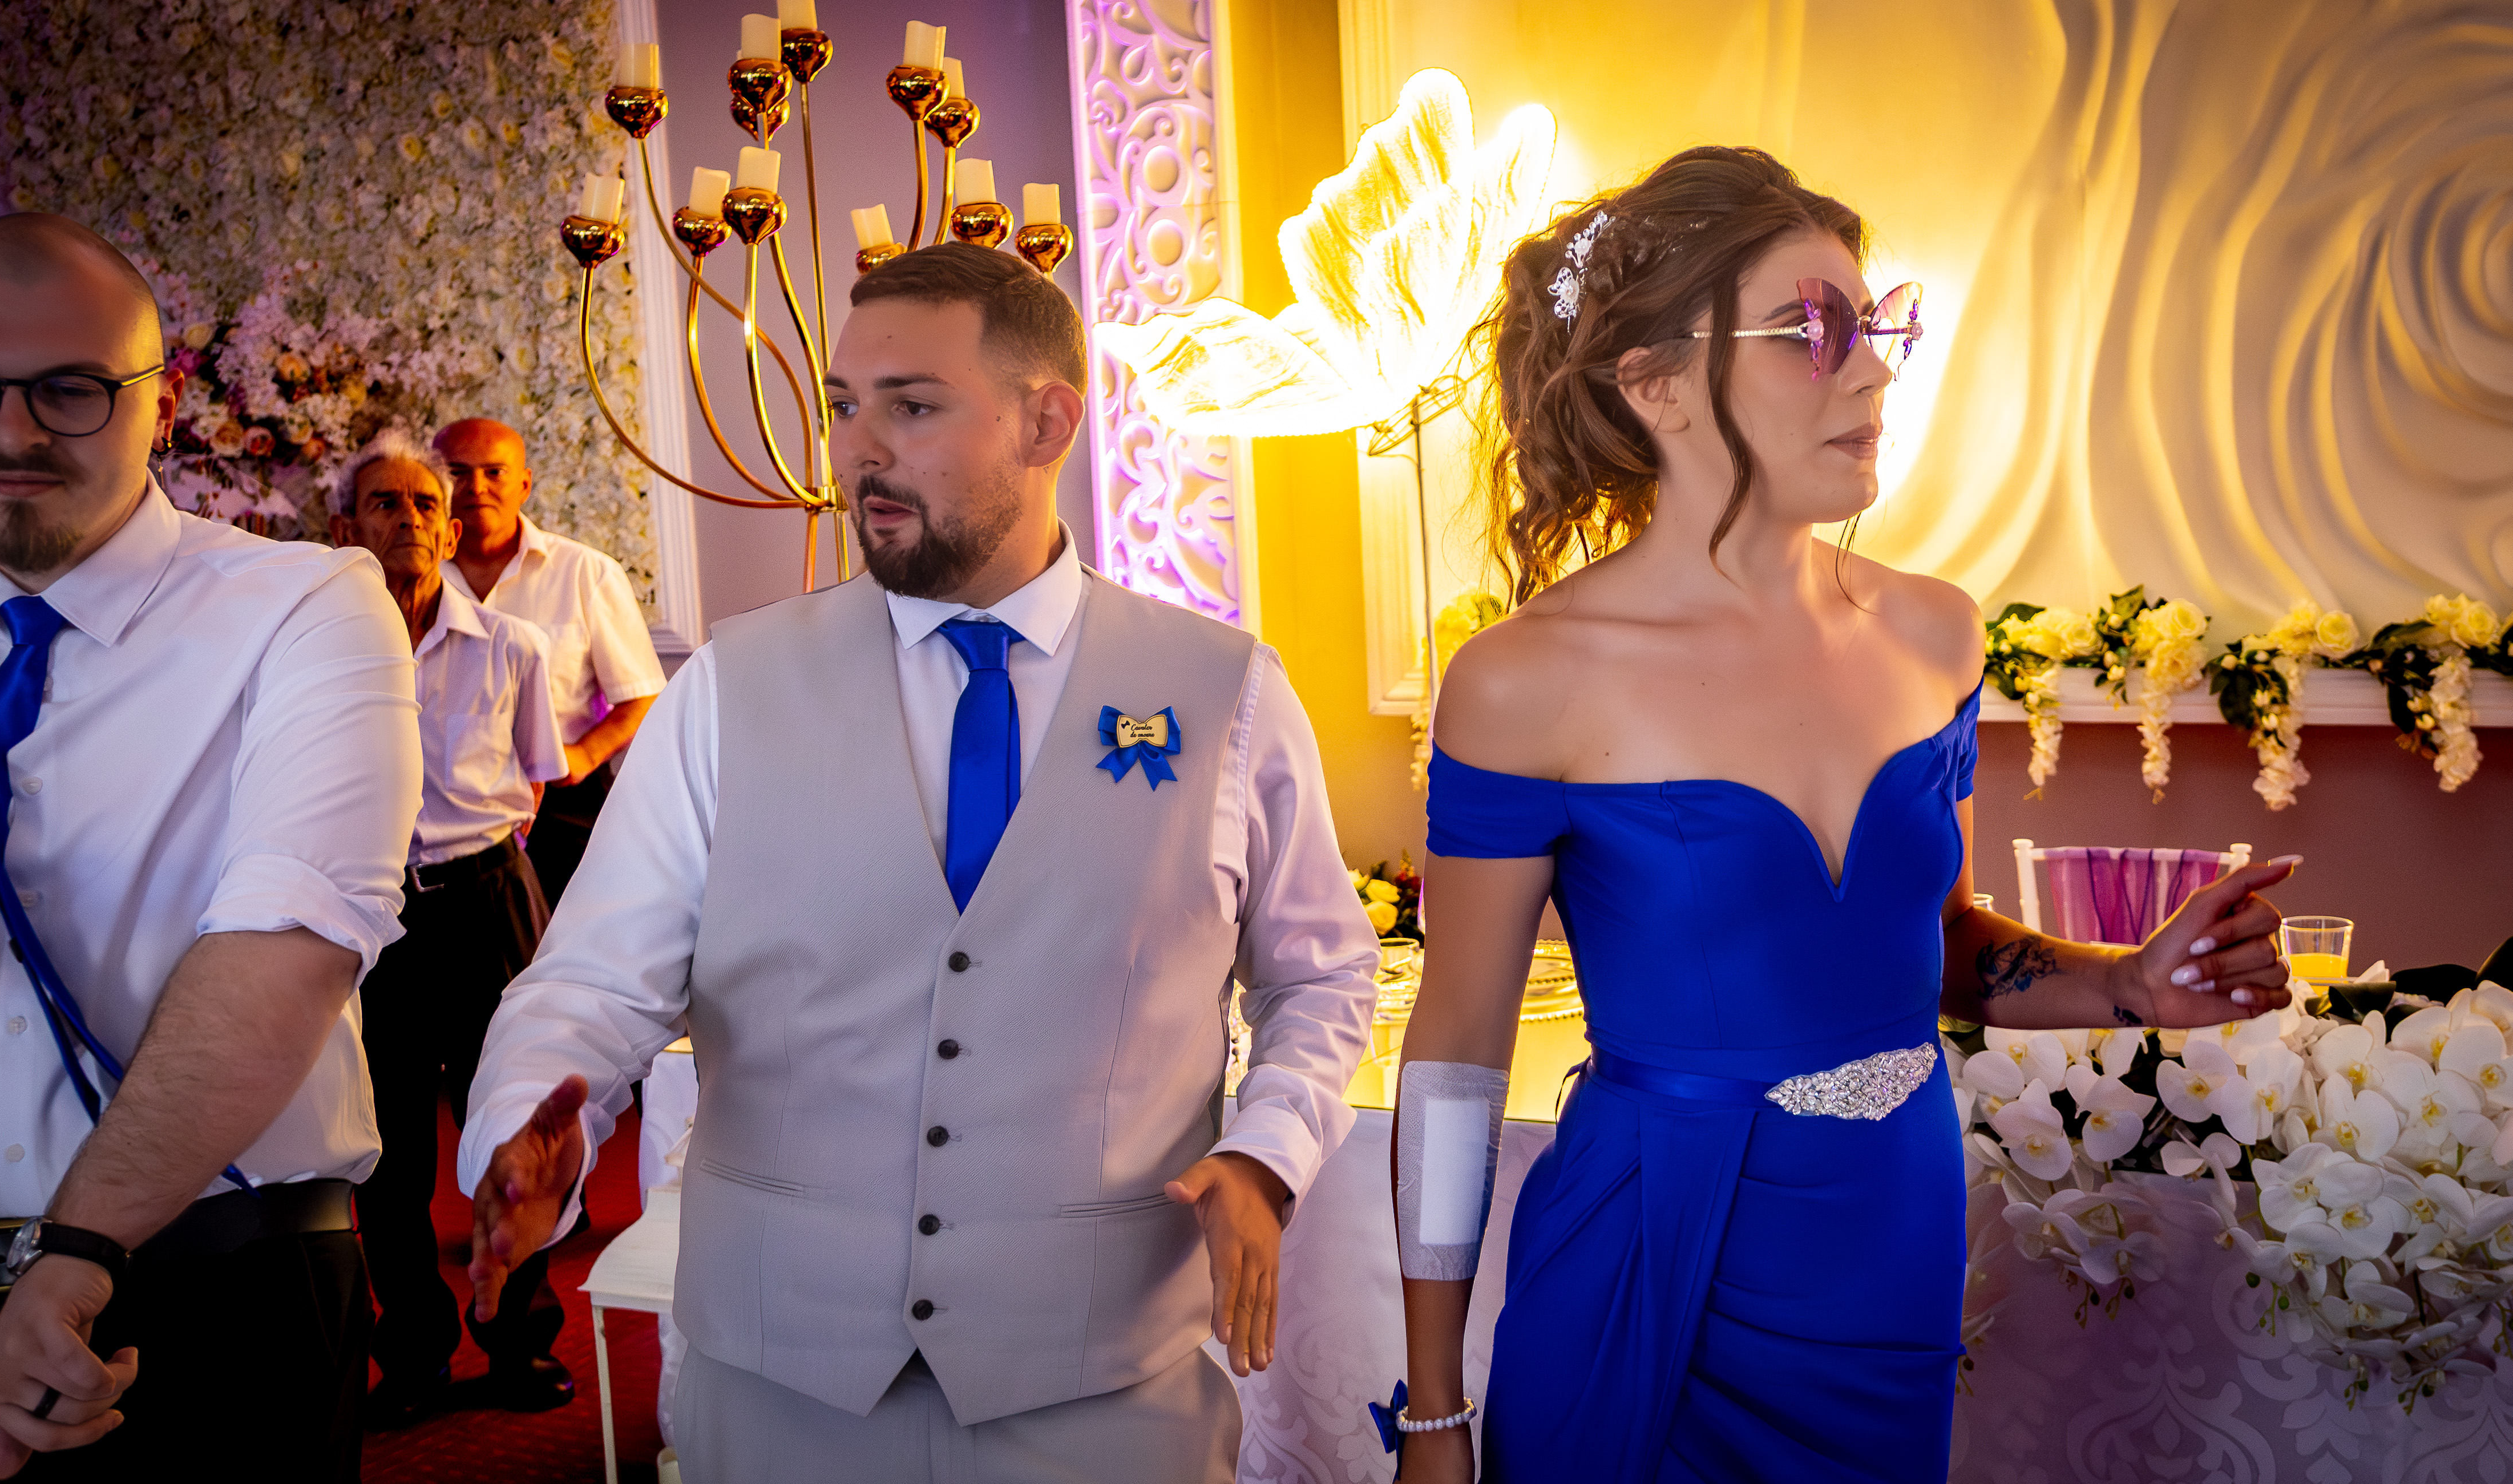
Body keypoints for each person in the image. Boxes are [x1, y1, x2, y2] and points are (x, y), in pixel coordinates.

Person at [1388, 147, 2298, 1482]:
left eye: (1877, 328)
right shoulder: (1526, 677)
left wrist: (2128, 982)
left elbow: (1941, 944)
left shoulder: (1933, 633)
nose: (1871, 372)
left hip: (1888, 1242)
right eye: (1812, 332)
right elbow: (1457, 1054)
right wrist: (1431, 1411)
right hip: (1654, 1251)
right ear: (1653, 385)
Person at [459, 243, 1377, 1483]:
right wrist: (523, 1120)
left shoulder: (1227, 692)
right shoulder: (728, 689)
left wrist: (1268, 1150)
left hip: (1105, 1388)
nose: (860, 451)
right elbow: (594, 980)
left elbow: (1320, 976)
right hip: (781, 1387)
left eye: (914, 406)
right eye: (846, 407)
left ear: (1048, 422)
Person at [0, 213, 419, 1480]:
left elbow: (287, 944)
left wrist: (80, 1252)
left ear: (160, 400)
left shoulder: (305, 604)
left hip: (223, 1289)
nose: (13, 432)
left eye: (70, 388)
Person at [325, 430, 576, 1428]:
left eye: (426, 504)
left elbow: (537, 779)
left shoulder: (514, 646)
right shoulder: (318, 652)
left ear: (450, 527)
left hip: (487, 902)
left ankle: (520, 1339)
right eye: (385, 503)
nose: (411, 520)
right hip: (373, 912)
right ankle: (414, 1353)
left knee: (511, 1125)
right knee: (388, 1154)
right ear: (346, 529)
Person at [434, 416, 664, 906]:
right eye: (458, 473)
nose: (476, 487)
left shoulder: (586, 572)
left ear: (524, 484)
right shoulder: (415, 580)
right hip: (446, 807)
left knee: (574, 939)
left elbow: (642, 696)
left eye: (494, 472)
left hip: (566, 805)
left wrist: (581, 758)